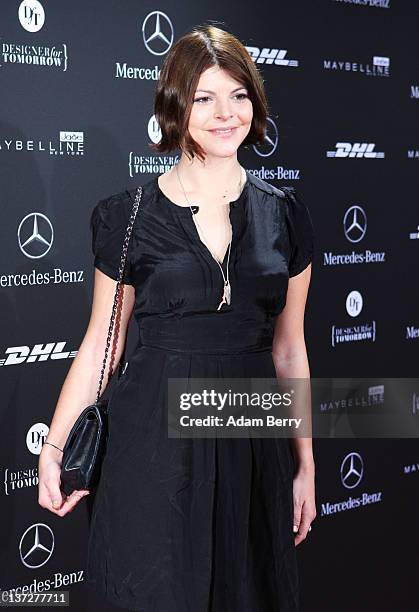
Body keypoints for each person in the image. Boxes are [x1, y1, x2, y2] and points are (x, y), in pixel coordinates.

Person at [38, 23, 316, 612]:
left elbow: (290, 350)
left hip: (251, 441)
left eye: (239, 95)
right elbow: (100, 345)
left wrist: (305, 463)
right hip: (152, 447)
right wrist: (56, 448)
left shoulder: (284, 215)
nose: (225, 113)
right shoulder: (128, 216)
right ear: (175, 105)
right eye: (205, 97)